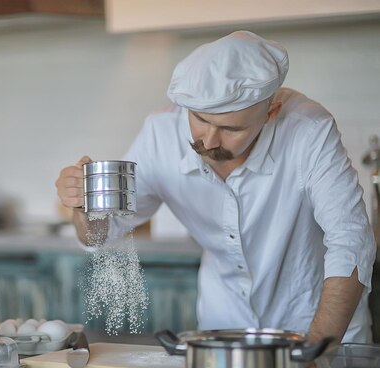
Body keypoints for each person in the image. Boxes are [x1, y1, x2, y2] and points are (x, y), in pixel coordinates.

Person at [55, 31, 375, 351]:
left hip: (320, 331)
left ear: (270, 112)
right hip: (224, 333)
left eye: (231, 129)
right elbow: (102, 235)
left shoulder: (308, 129)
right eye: (199, 119)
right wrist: (82, 208)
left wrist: (315, 350)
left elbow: (351, 240)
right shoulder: (160, 135)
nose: (209, 141)